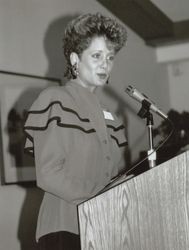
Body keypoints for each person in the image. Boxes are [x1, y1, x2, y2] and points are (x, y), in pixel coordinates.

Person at [24, 12, 128, 250]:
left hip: (103, 226)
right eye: (97, 55)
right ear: (74, 59)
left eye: (110, 57)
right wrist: (102, 194)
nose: (105, 64)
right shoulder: (55, 100)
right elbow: (49, 174)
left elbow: (109, 175)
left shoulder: (109, 115)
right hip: (64, 228)